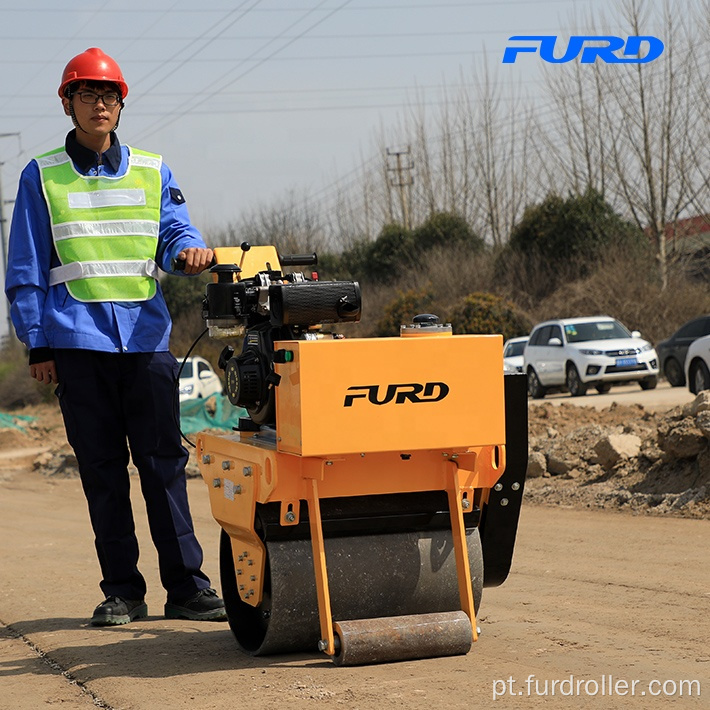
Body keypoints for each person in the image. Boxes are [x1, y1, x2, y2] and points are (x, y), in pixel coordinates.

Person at [5, 48, 227, 627]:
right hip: (76, 343)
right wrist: (38, 342)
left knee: (162, 467)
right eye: (87, 95)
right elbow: (26, 267)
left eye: (109, 96)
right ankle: (123, 592)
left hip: (146, 341)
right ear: (68, 103)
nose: (99, 105)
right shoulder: (42, 175)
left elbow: (174, 232)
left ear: (120, 105)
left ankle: (186, 587)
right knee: (102, 471)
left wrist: (187, 252)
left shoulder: (152, 169)